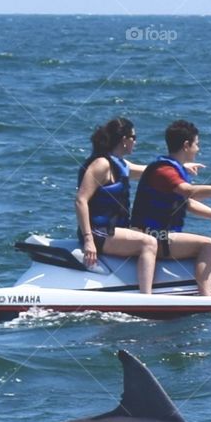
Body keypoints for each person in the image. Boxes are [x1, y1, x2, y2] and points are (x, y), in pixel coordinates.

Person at [131, 120, 211, 296]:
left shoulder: (170, 168)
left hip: (159, 235)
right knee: (208, 245)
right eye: (196, 144)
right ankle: (206, 298)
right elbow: (188, 192)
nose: (198, 149)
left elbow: (186, 203)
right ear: (186, 145)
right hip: (155, 236)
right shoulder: (165, 172)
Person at [75, 117, 159, 293]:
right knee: (149, 243)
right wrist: (89, 240)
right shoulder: (102, 164)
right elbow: (80, 200)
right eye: (134, 138)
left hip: (112, 230)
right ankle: (147, 298)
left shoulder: (119, 163)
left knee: (159, 235)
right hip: (99, 232)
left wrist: (180, 167)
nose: (135, 142)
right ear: (124, 140)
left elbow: (148, 171)